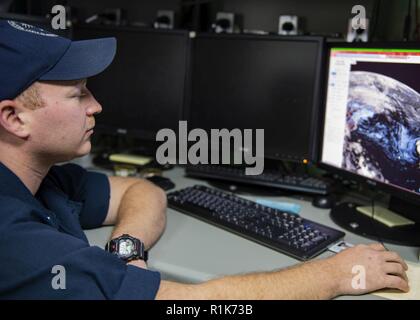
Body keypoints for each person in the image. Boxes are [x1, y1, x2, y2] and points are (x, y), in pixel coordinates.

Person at [0, 20, 409, 300]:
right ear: (13, 118)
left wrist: (127, 251)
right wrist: (338, 274)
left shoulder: (41, 179)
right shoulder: (13, 237)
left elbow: (141, 190)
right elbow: (193, 303)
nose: (97, 106)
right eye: (78, 94)